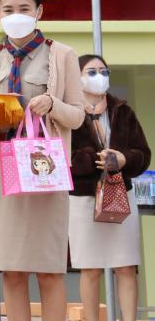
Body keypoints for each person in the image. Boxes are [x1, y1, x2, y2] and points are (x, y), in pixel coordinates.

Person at [0, 0, 85, 321]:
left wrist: (52, 104)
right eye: (8, 10)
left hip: (43, 164)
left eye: (24, 8)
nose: (16, 15)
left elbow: (78, 116)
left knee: (49, 267)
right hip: (1, 163)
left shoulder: (62, 55)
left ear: (39, 11)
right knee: (11, 269)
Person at [69, 54, 150, 321]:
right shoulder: (70, 113)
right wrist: (93, 158)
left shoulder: (123, 111)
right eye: (91, 72)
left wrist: (124, 159)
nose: (100, 77)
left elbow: (143, 153)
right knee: (90, 268)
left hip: (120, 193)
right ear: (77, 77)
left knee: (125, 265)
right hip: (83, 198)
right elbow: (62, 157)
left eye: (104, 71)